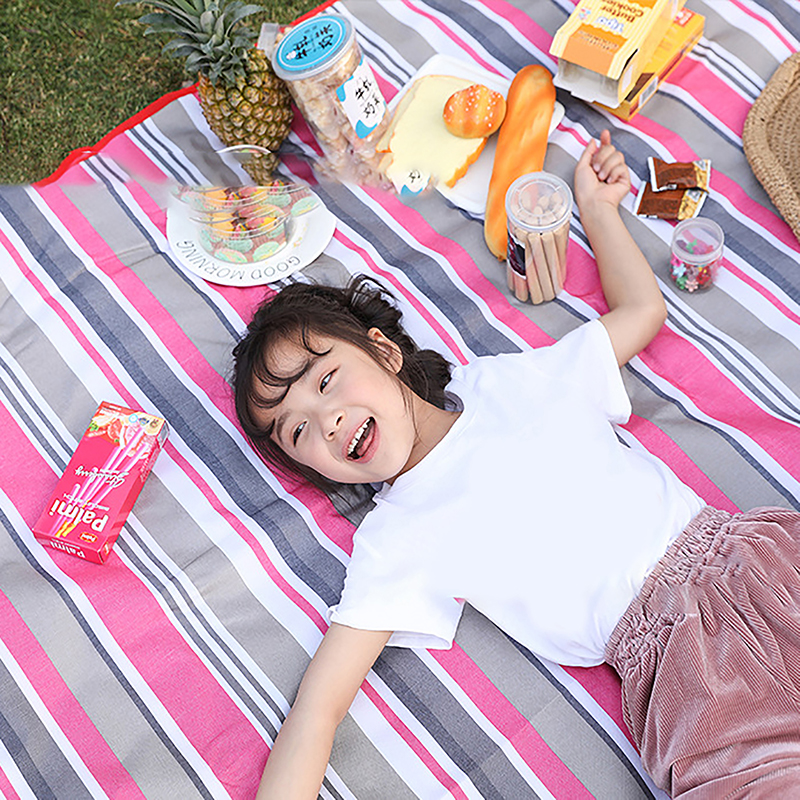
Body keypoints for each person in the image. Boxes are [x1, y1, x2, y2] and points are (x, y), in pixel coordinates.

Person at [233, 131, 800, 799]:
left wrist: (598, 209)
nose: (325, 421)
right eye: (297, 430)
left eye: (326, 382)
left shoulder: (507, 380)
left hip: (761, 561)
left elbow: (641, 312)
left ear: (385, 352)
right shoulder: (395, 540)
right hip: (688, 669)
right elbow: (317, 710)